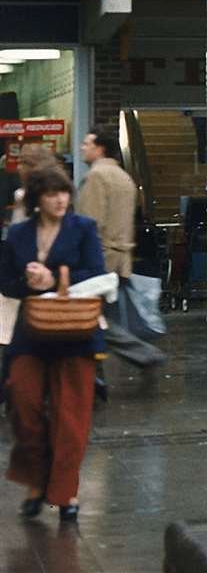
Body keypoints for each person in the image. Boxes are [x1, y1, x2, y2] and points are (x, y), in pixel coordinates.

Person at [2, 167, 104, 520]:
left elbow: (97, 272)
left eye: (64, 192)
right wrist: (27, 283)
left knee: (70, 417)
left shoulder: (84, 228)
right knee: (23, 403)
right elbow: (6, 282)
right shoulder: (17, 234)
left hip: (76, 331)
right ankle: (36, 477)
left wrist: (58, 276)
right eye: (51, 194)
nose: (60, 199)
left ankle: (65, 494)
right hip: (31, 330)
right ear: (37, 200)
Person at [76, 128, 164, 368]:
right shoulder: (123, 177)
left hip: (101, 259)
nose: (82, 147)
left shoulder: (96, 177)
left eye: (87, 143)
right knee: (107, 316)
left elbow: (90, 224)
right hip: (121, 258)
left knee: (93, 318)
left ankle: (144, 353)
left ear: (100, 148)